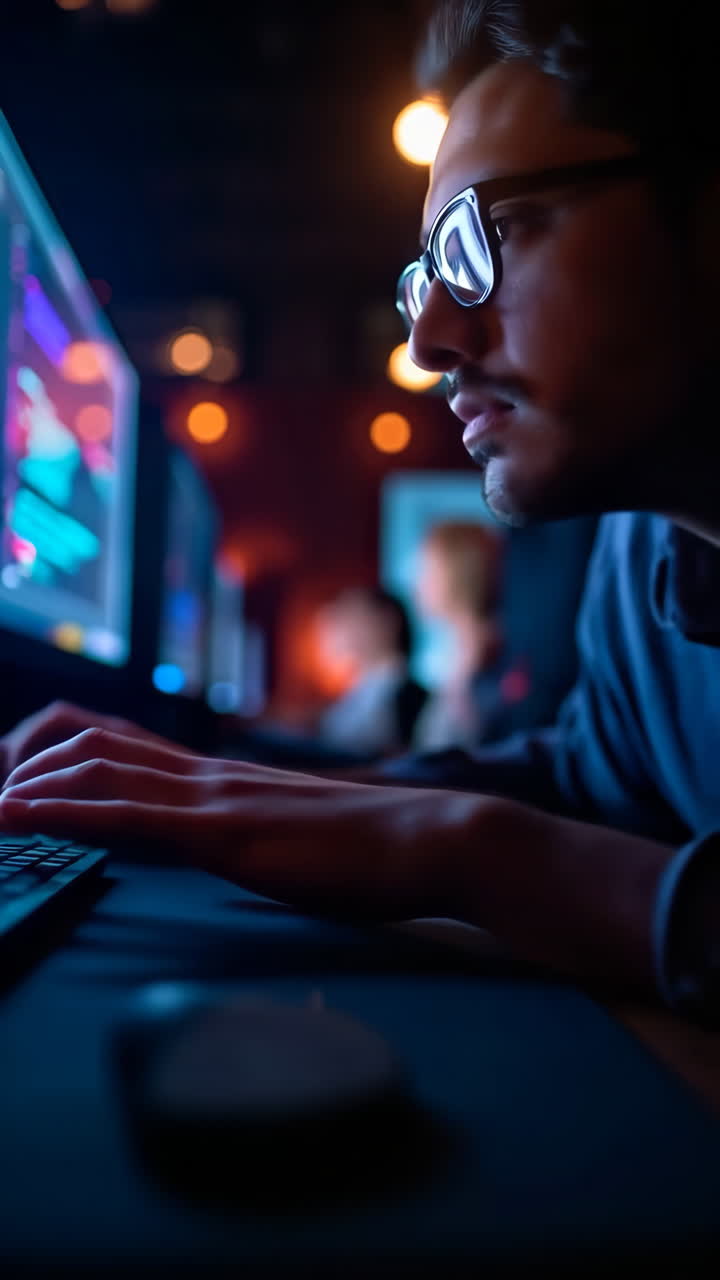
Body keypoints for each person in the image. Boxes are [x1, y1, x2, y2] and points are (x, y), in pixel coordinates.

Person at [1, 0, 719, 1020]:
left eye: (489, 234)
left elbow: (544, 830)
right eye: (427, 271)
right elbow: (594, 778)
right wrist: (217, 784)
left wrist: (476, 853)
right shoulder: (641, 552)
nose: (427, 342)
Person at [411, 519, 515, 750]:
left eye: (426, 570)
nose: (417, 585)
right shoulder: (459, 656)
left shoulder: (496, 660)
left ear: (459, 571)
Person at [314, 586, 428, 756]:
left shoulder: (413, 700)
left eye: (354, 615)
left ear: (388, 621)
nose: (342, 626)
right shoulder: (354, 694)